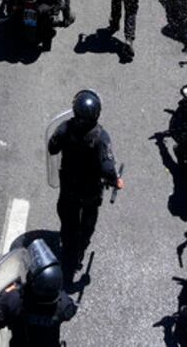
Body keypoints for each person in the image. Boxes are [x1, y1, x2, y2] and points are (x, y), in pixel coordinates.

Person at [46, 90, 122, 275]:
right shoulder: (100, 137)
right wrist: (116, 180)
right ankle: (79, 251)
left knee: (67, 222)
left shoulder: (65, 128)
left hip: (69, 188)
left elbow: (52, 147)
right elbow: (108, 168)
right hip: (90, 192)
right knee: (88, 223)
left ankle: (67, 247)